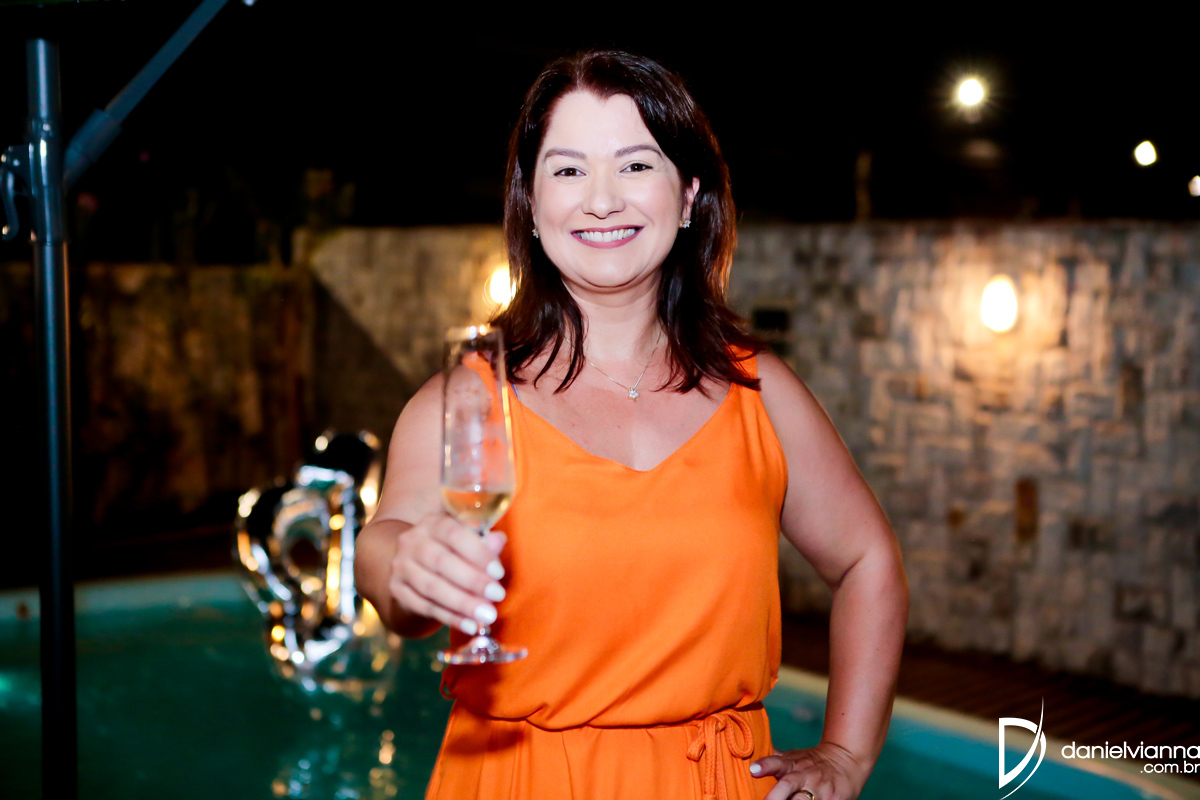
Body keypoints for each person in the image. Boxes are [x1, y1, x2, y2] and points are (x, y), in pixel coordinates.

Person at [354, 50, 908, 800]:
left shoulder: (761, 392)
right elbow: (385, 548)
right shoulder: (469, 399)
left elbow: (868, 560)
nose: (602, 200)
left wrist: (847, 752)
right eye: (569, 170)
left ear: (688, 197)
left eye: (636, 165)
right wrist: (405, 567)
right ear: (530, 203)